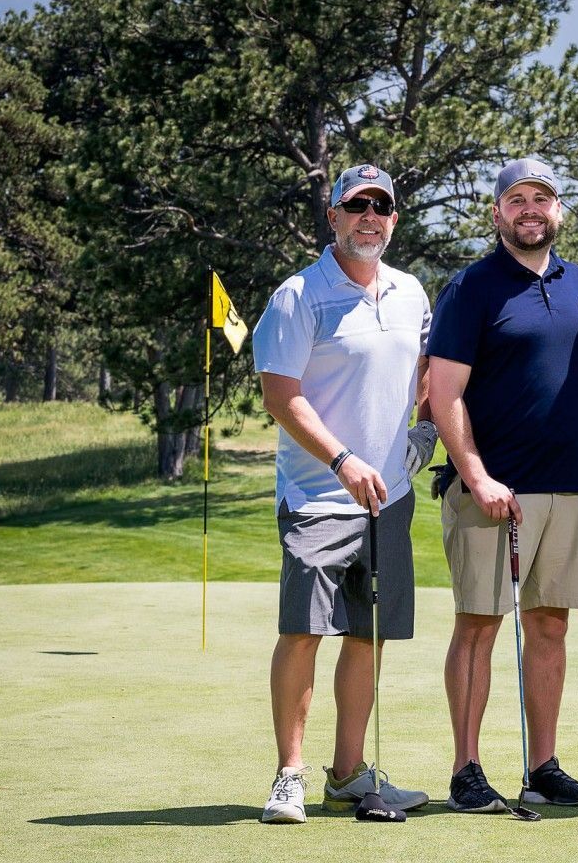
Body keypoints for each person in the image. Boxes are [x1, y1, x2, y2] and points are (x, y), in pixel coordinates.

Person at [251, 163, 438, 823]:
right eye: (355, 205)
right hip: (318, 497)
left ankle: (348, 772)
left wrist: (425, 430)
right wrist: (341, 460)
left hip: (388, 498)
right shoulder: (299, 295)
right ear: (332, 216)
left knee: (368, 634)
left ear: (392, 219)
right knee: (304, 631)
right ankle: (289, 775)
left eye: (380, 206)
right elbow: (281, 395)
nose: (369, 216)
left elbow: (425, 374)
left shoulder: (411, 292)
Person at [428, 157, 578, 812]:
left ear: (558, 211)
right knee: (478, 626)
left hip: (566, 486)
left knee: (549, 625)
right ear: (497, 212)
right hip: (489, 490)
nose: (530, 209)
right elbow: (444, 394)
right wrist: (475, 475)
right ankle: (466, 769)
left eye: (542, 199)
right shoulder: (471, 286)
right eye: (517, 199)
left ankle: (544, 765)